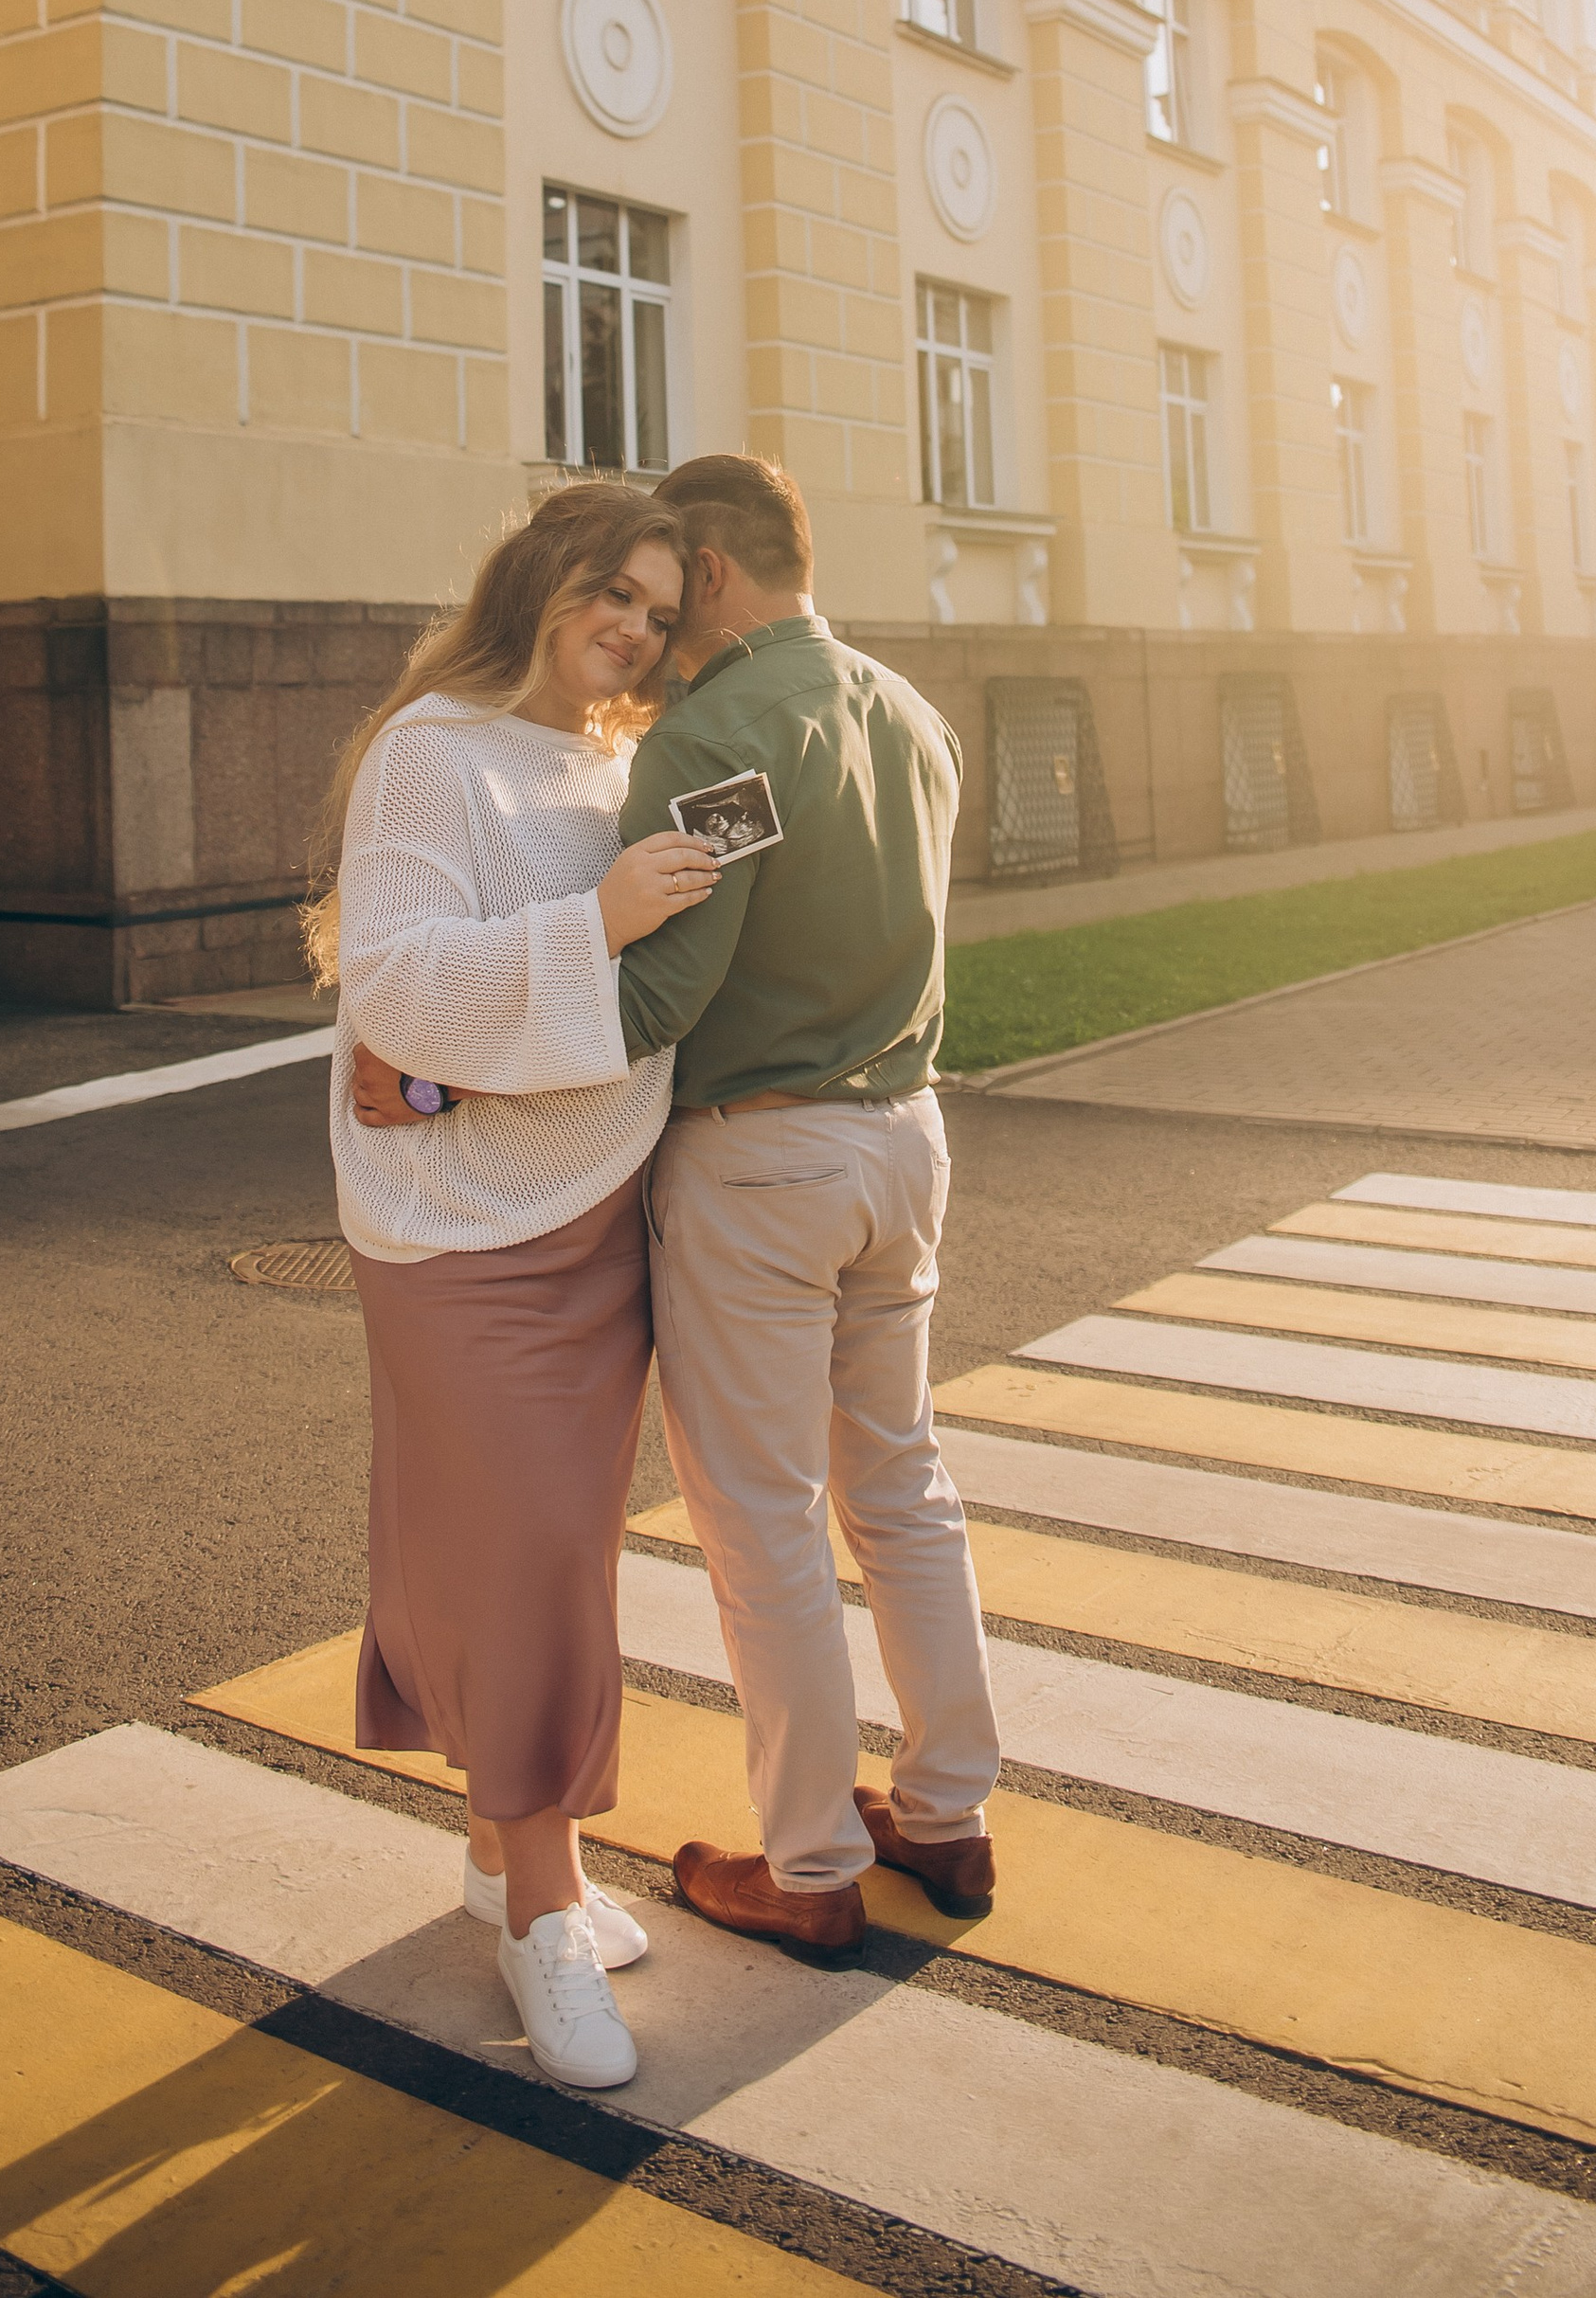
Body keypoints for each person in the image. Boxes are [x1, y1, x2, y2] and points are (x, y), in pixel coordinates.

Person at [305, 479, 718, 2090]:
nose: (630, 625)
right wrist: (597, 916)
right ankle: (540, 1909)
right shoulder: (434, 749)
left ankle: (501, 1855)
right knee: (527, 1553)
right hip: (453, 1230)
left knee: (546, 1551)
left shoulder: (617, 759)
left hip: (591, 1210)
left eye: (659, 612)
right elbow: (400, 990)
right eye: (610, 589)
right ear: (540, 575)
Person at [614, 452, 1001, 1960]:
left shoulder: (721, 734)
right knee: (899, 1487)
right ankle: (950, 1817)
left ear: (709, 571)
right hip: (909, 1139)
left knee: (762, 1520)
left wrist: (486, 1016)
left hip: (765, 1160)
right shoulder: (909, 714)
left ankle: (812, 1866)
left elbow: (668, 987)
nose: (653, 632)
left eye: (662, 595)